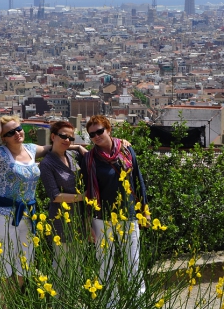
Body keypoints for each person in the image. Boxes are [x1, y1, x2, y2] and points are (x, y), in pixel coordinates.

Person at [0, 115, 51, 288]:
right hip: (4, 216)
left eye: (18, 129)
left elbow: (54, 147)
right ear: (3, 138)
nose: (17, 134)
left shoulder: (31, 149)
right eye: (10, 133)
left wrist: (76, 147)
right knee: (3, 269)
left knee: (25, 267)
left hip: (28, 216)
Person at [81, 115, 149, 305]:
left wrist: (146, 211)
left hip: (128, 214)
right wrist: (88, 225)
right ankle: (110, 304)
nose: (96, 136)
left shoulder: (126, 150)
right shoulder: (89, 158)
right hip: (101, 217)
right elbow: (87, 191)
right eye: (91, 134)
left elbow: (138, 181)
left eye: (100, 131)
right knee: (105, 265)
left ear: (109, 129)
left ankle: (138, 303)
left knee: (133, 263)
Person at [39, 121, 88, 278]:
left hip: (80, 218)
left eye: (70, 138)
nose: (67, 140)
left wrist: (79, 147)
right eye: (63, 136)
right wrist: (83, 197)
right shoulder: (47, 164)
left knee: (79, 265)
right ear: (53, 136)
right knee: (61, 266)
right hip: (61, 221)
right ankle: (58, 301)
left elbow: (93, 160)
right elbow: (55, 196)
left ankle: (73, 300)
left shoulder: (73, 155)